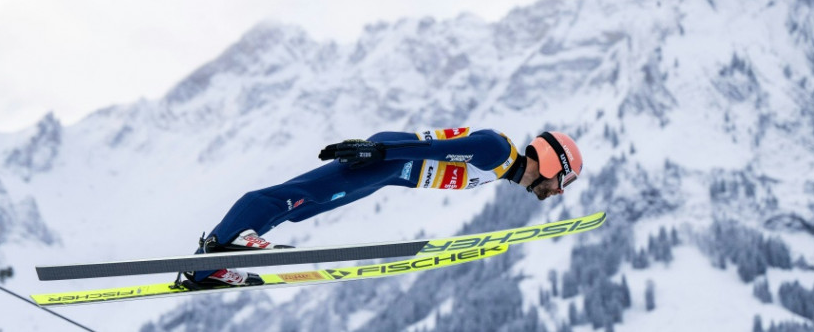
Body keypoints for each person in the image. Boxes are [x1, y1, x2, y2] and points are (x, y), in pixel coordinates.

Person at [184, 127, 584, 287]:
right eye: (563, 181)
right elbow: (433, 149)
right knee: (299, 194)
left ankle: (207, 267)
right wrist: (377, 151)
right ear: (554, 164)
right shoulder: (498, 150)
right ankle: (228, 242)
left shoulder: (500, 168)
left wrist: (384, 160)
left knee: (302, 207)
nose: (559, 191)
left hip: (390, 172)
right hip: (389, 161)